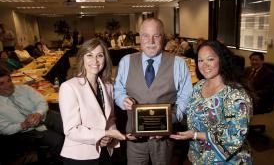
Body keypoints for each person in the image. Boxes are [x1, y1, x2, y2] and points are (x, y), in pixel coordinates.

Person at [114, 18, 193, 165]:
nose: (151, 41)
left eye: (156, 36)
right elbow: (118, 90)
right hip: (134, 137)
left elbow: (186, 96)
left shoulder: (178, 63)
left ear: (163, 37)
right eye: (145, 35)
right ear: (140, 37)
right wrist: (122, 99)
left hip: (164, 138)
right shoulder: (126, 61)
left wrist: (172, 117)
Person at [170, 40, 252, 164]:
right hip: (199, 156)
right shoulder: (199, 86)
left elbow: (234, 137)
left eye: (210, 59)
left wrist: (196, 135)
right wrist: (164, 125)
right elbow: (189, 112)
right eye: (200, 60)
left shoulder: (236, 95)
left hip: (227, 160)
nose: (204, 65)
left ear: (221, 60)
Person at [59, 38, 125, 165]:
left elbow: (110, 118)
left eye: (100, 55)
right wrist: (104, 133)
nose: (95, 61)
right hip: (79, 157)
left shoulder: (108, 86)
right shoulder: (69, 87)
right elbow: (71, 130)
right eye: (89, 55)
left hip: (104, 153)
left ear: (105, 59)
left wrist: (109, 136)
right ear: (82, 58)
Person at [0, 65, 64, 163]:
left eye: (9, 80)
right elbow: (4, 129)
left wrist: (38, 113)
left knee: (69, 127)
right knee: (58, 141)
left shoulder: (24, 88)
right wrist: (23, 125)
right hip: (29, 131)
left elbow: (41, 102)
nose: (8, 85)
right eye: (2, 83)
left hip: (45, 116)